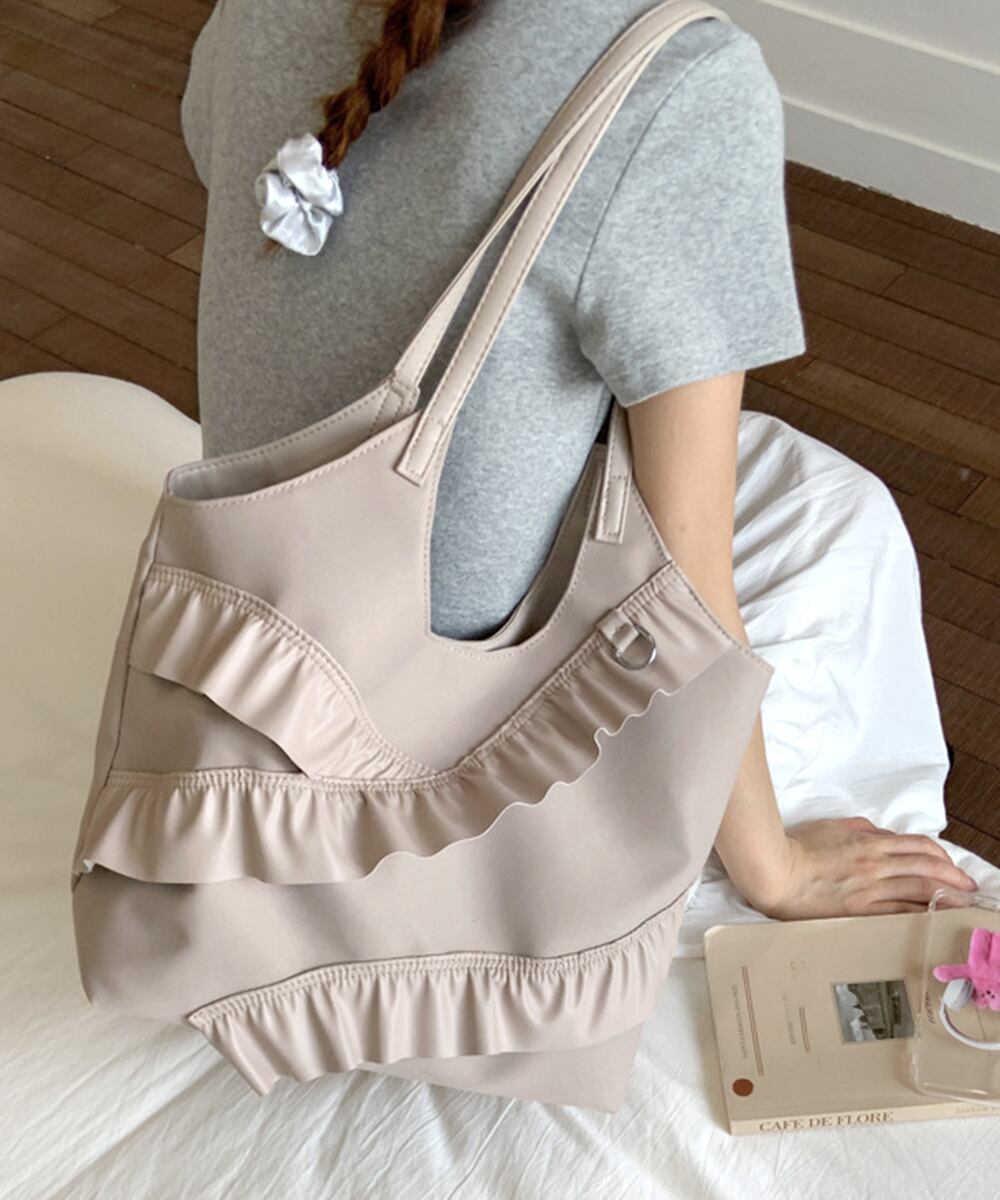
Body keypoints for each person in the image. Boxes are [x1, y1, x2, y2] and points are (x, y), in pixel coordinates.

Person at [179, 0, 977, 922]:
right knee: (839, 519)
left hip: (244, 621)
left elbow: (230, 172)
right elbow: (687, 575)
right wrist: (778, 870)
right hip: (445, 735)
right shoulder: (678, 77)